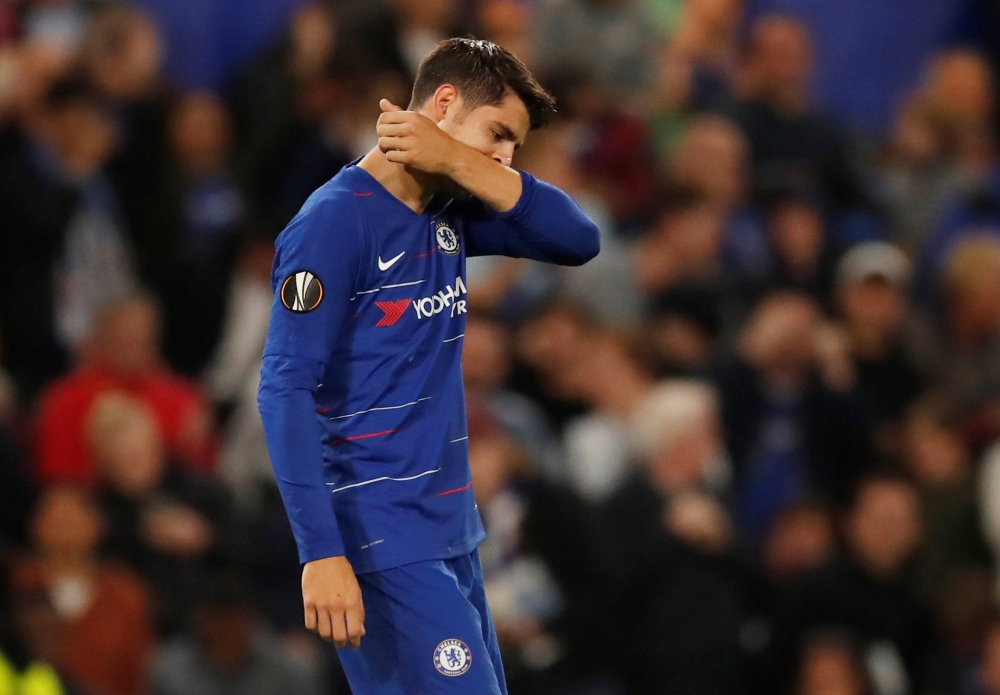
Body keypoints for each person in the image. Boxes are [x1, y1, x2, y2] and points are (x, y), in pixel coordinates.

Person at [257, 37, 599, 695]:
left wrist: (463, 163)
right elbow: (284, 389)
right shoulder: (331, 224)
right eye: (499, 132)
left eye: (516, 148)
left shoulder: (448, 209)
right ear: (443, 103)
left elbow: (578, 238)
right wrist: (321, 553)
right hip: (378, 539)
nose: (504, 156)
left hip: (451, 530)